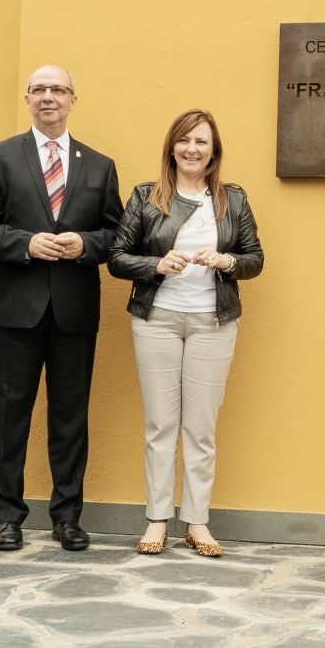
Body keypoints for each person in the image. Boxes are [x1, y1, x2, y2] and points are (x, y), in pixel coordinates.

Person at [0, 65, 123, 552]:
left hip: (75, 312)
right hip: (17, 310)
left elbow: (117, 234)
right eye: (39, 90)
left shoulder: (100, 165)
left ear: (73, 99)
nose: (48, 97)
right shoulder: (0, 157)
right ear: (28, 98)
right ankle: (7, 517)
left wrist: (85, 244)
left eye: (57, 90)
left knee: (70, 417)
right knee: (9, 415)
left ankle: (68, 516)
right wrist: (25, 244)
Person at [107, 109, 264, 556]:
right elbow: (118, 256)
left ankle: (197, 521)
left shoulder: (231, 200)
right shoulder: (146, 196)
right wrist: (155, 264)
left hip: (213, 322)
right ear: (171, 147)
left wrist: (228, 261)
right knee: (161, 424)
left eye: (202, 142)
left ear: (214, 153)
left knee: (201, 427)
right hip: (157, 319)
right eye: (185, 141)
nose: (192, 149)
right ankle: (157, 520)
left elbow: (255, 257)